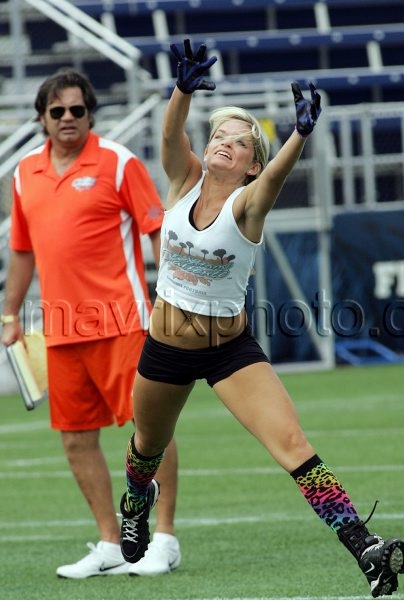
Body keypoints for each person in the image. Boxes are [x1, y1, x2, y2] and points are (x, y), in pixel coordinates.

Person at [118, 39, 404, 598]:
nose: (224, 143)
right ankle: (136, 501)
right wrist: (181, 90)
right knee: (146, 447)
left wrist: (298, 134)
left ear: (253, 163)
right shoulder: (183, 183)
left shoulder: (249, 202)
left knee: (293, 444)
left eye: (239, 142)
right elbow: (168, 135)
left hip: (229, 351)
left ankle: (366, 551)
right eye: (218, 136)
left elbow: (275, 179)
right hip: (165, 348)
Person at [1, 69, 181, 578]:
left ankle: (163, 539)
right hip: (59, 329)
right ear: (41, 118)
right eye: (56, 111)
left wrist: (170, 298)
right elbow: (21, 252)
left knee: (149, 431)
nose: (67, 119)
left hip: (123, 321)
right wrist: (10, 315)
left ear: (90, 114)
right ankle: (111, 543)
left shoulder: (119, 162)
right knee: (77, 439)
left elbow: (155, 228)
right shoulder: (23, 174)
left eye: (76, 110)